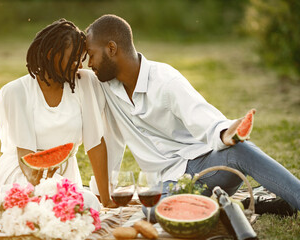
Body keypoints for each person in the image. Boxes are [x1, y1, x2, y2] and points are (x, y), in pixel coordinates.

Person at [85, 14, 300, 222]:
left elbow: (201, 115)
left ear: (111, 49)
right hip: (166, 183)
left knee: (242, 150)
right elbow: (71, 68)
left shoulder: (165, 81)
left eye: (91, 55)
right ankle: (232, 206)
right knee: (152, 211)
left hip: (203, 167)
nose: (88, 63)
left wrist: (226, 133)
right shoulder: (105, 86)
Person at [0, 18, 116, 212]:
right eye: (73, 59)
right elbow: (26, 156)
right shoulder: (16, 92)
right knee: (72, 204)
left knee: (87, 205)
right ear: (51, 54)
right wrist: (37, 186)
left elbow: (95, 144)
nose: (79, 66)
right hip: (22, 171)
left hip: (63, 174)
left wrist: (106, 200)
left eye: (80, 59)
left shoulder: (84, 82)